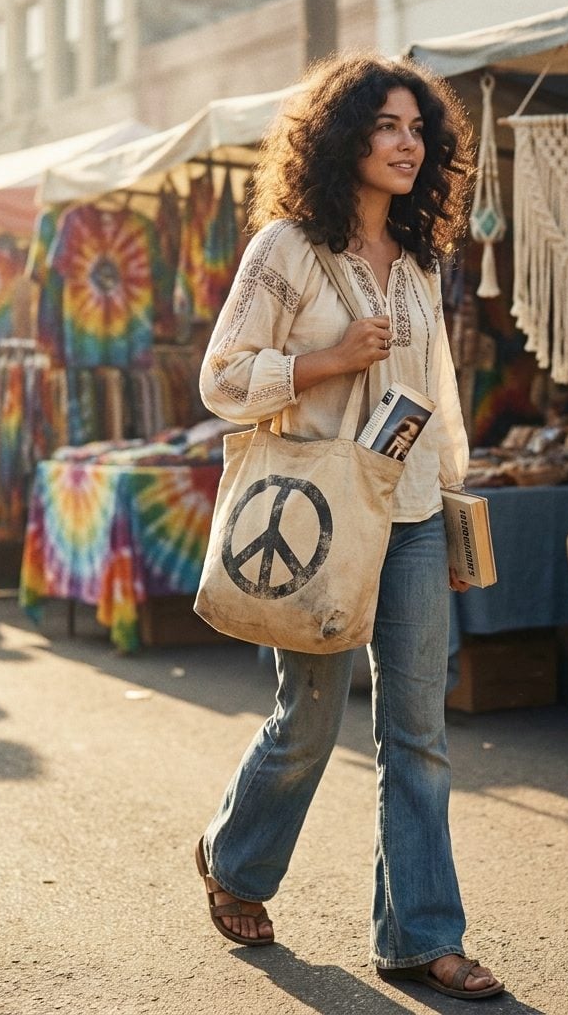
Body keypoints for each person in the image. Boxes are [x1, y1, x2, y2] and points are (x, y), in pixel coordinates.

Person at [195, 53, 504, 1001]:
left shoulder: (414, 265)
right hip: (317, 520)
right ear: (343, 139)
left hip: (407, 520)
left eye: (418, 129)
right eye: (388, 128)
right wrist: (326, 359)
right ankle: (236, 860)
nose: (408, 143)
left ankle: (422, 937)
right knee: (311, 721)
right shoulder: (285, 249)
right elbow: (221, 381)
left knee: (419, 734)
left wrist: (451, 521)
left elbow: (437, 406)